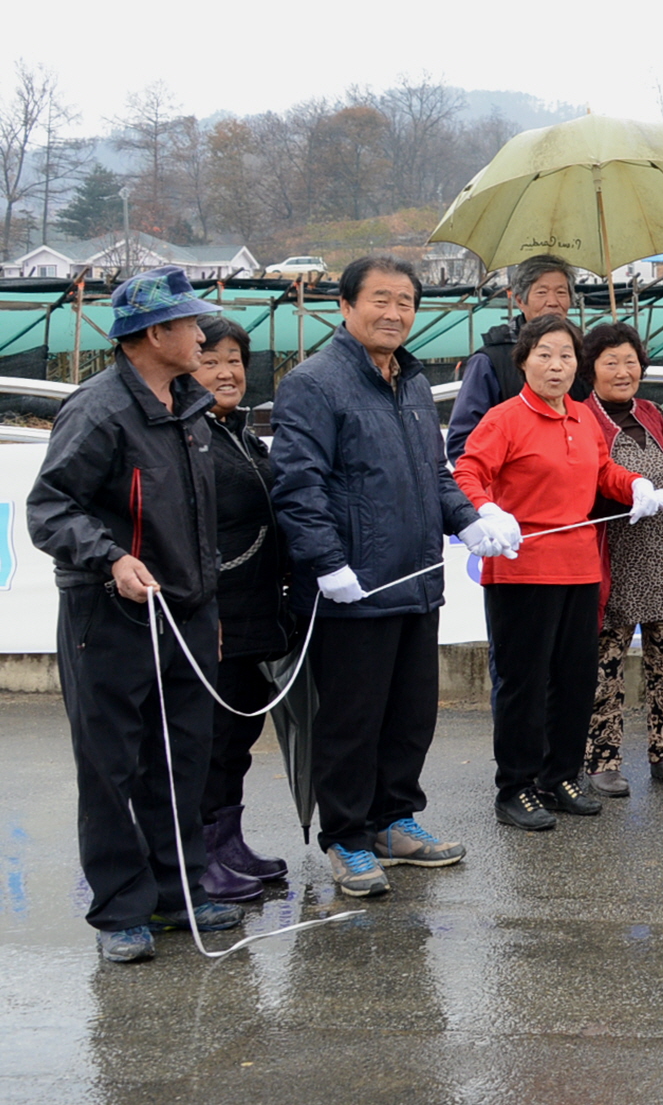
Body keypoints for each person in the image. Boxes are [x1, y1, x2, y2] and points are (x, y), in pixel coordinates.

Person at [29, 267, 239, 962]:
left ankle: (177, 892)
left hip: (186, 616)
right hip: (111, 616)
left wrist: (207, 602)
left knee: (181, 759)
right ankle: (121, 909)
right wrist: (111, 556)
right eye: (191, 324)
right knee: (111, 764)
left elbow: (200, 522)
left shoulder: (190, 407)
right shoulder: (98, 411)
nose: (202, 335)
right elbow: (50, 508)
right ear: (154, 333)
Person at [272, 256, 494, 898]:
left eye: (405, 302)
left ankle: (394, 821)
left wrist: (469, 520)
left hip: (415, 581)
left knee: (409, 715)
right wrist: (325, 561)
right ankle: (347, 837)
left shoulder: (414, 383)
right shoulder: (315, 383)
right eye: (380, 299)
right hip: (352, 589)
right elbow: (298, 484)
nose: (394, 313)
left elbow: (435, 474)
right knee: (351, 722)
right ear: (345, 306)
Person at [453, 314, 663, 829]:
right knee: (524, 683)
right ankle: (516, 786)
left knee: (575, 679)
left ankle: (560, 775)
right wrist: (485, 511)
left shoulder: (581, 416)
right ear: (524, 361)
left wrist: (635, 485)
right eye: (545, 355)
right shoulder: (505, 418)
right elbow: (468, 471)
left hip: (580, 567)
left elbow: (603, 471)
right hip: (523, 568)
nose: (556, 366)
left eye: (566, 356)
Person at [582, 322, 663, 794]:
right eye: (611, 363)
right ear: (591, 368)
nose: (624, 372)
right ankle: (602, 759)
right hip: (614, 560)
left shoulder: (653, 412)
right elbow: (585, 482)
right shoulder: (581, 418)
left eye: (631, 361)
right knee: (604, 667)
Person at [193, 316, 290, 903]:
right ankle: (198, 854)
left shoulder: (242, 435)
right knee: (208, 741)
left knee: (237, 739)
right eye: (211, 361)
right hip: (214, 619)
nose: (227, 372)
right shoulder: (187, 437)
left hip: (257, 614)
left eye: (234, 360)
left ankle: (228, 842)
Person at [444, 255, 577, 461]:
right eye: (541, 292)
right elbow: (463, 443)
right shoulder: (491, 360)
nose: (553, 302)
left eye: (561, 292)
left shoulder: (584, 352)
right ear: (520, 301)